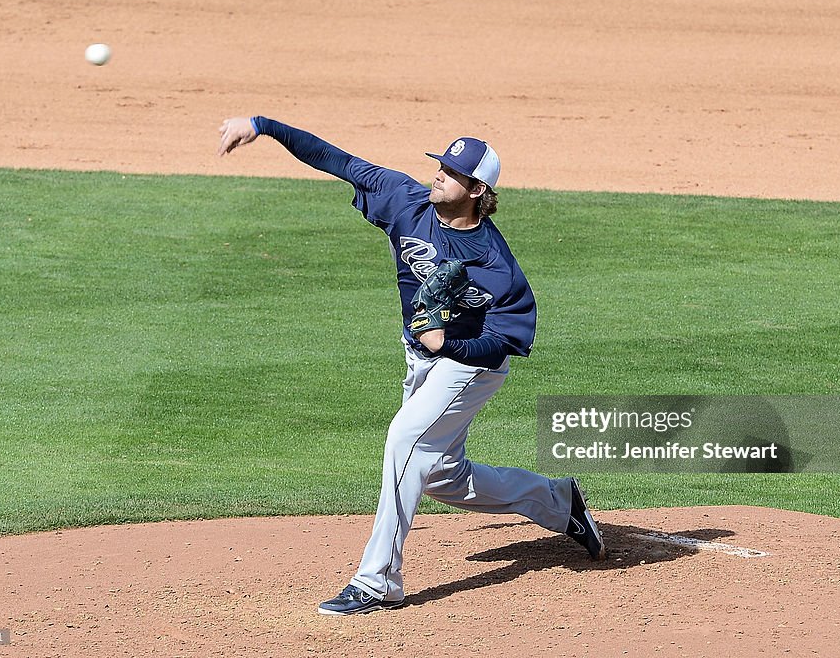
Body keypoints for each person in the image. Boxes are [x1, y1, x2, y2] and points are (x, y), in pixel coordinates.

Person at [217, 116, 606, 615]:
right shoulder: (405, 202)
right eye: (440, 164)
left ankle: (377, 581)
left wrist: (447, 345)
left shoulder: (495, 265)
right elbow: (338, 161)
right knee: (442, 476)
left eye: (452, 172)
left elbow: (503, 343)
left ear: (476, 190)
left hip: (470, 366)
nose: (438, 175)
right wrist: (263, 125)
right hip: (420, 356)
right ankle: (559, 501)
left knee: (405, 439)